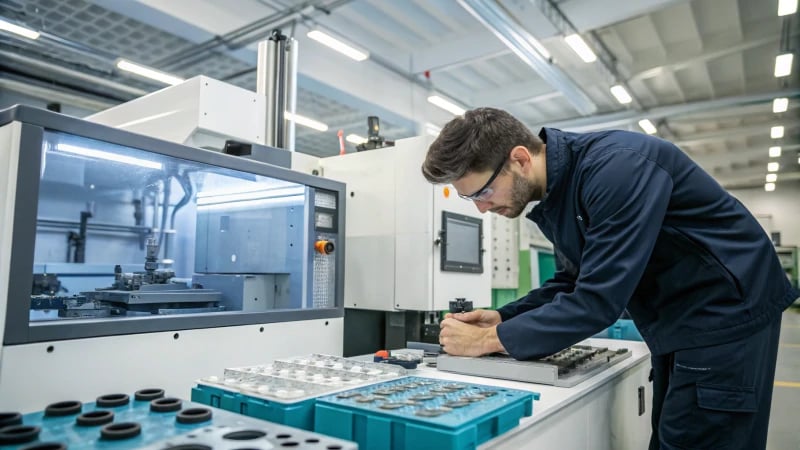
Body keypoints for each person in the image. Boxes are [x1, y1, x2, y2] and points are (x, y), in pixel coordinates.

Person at [421, 107, 799, 450]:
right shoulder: (559, 194)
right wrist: (503, 317)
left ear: (520, 159)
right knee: (673, 435)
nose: (482, 208)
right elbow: (573, 280)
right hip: (679, 316)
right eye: (472, 199)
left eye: (484, 192)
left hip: (725, 311)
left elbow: (597, 302)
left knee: (698, 438)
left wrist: (487, 340)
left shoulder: (616, 168)